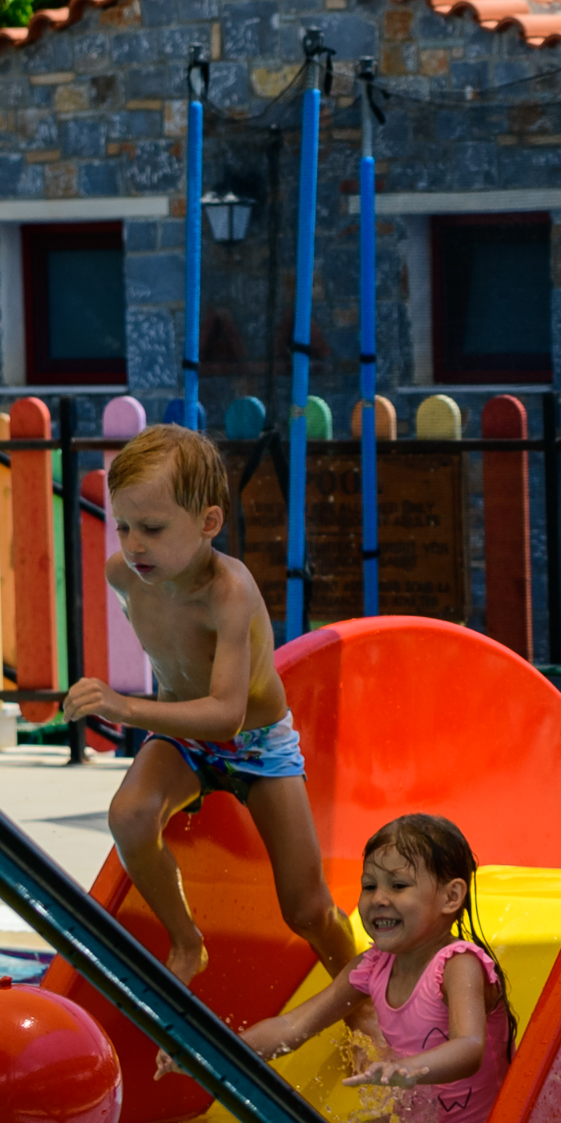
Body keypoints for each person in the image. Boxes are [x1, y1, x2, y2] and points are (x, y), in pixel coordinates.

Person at [64, 422, 354, 987]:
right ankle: (186, 941)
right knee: (129, 816)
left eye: (151, 527)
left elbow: (227, 715)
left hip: (258, 743)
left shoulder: (230, 591)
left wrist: (125, 708)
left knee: (306, 908)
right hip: (183, 740)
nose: (133, 544)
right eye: (123, 525)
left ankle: (368, 1002)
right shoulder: (124, 576)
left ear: (209, 524)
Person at [238, 811, 514, 1123]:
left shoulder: (457, 965)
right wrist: (211, 1049)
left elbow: (469, 1048)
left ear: (451, 896)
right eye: (369, 886)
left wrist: (409, 1069)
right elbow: (292, 1028)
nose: (378, 899)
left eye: (398, 886)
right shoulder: (371, 967)